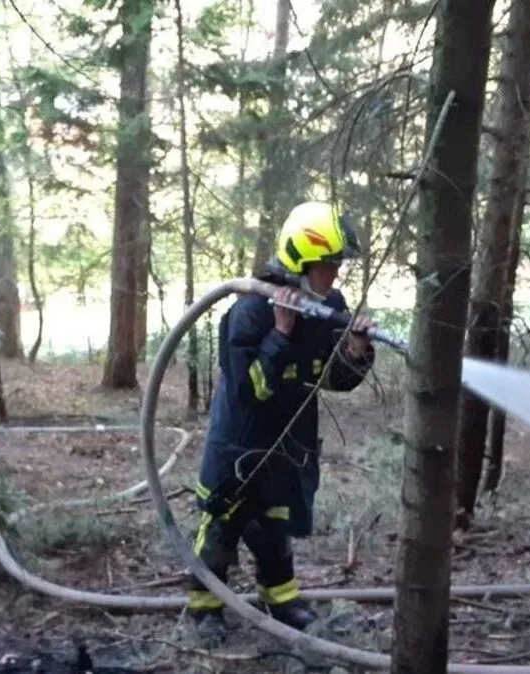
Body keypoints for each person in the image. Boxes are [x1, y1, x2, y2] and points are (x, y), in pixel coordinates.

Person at [187, 200, 377, 638]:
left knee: (274, 526)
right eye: (330, 264)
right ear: (301, 262)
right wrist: (281, 332)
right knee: (222, 526)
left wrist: (355, 351)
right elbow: (252, 391)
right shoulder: (250, 312)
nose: (336, 274)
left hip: (287, 445)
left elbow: (331, 379)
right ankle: (204, 608)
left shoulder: (328, 306)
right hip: (239, 446)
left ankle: (281, 601)